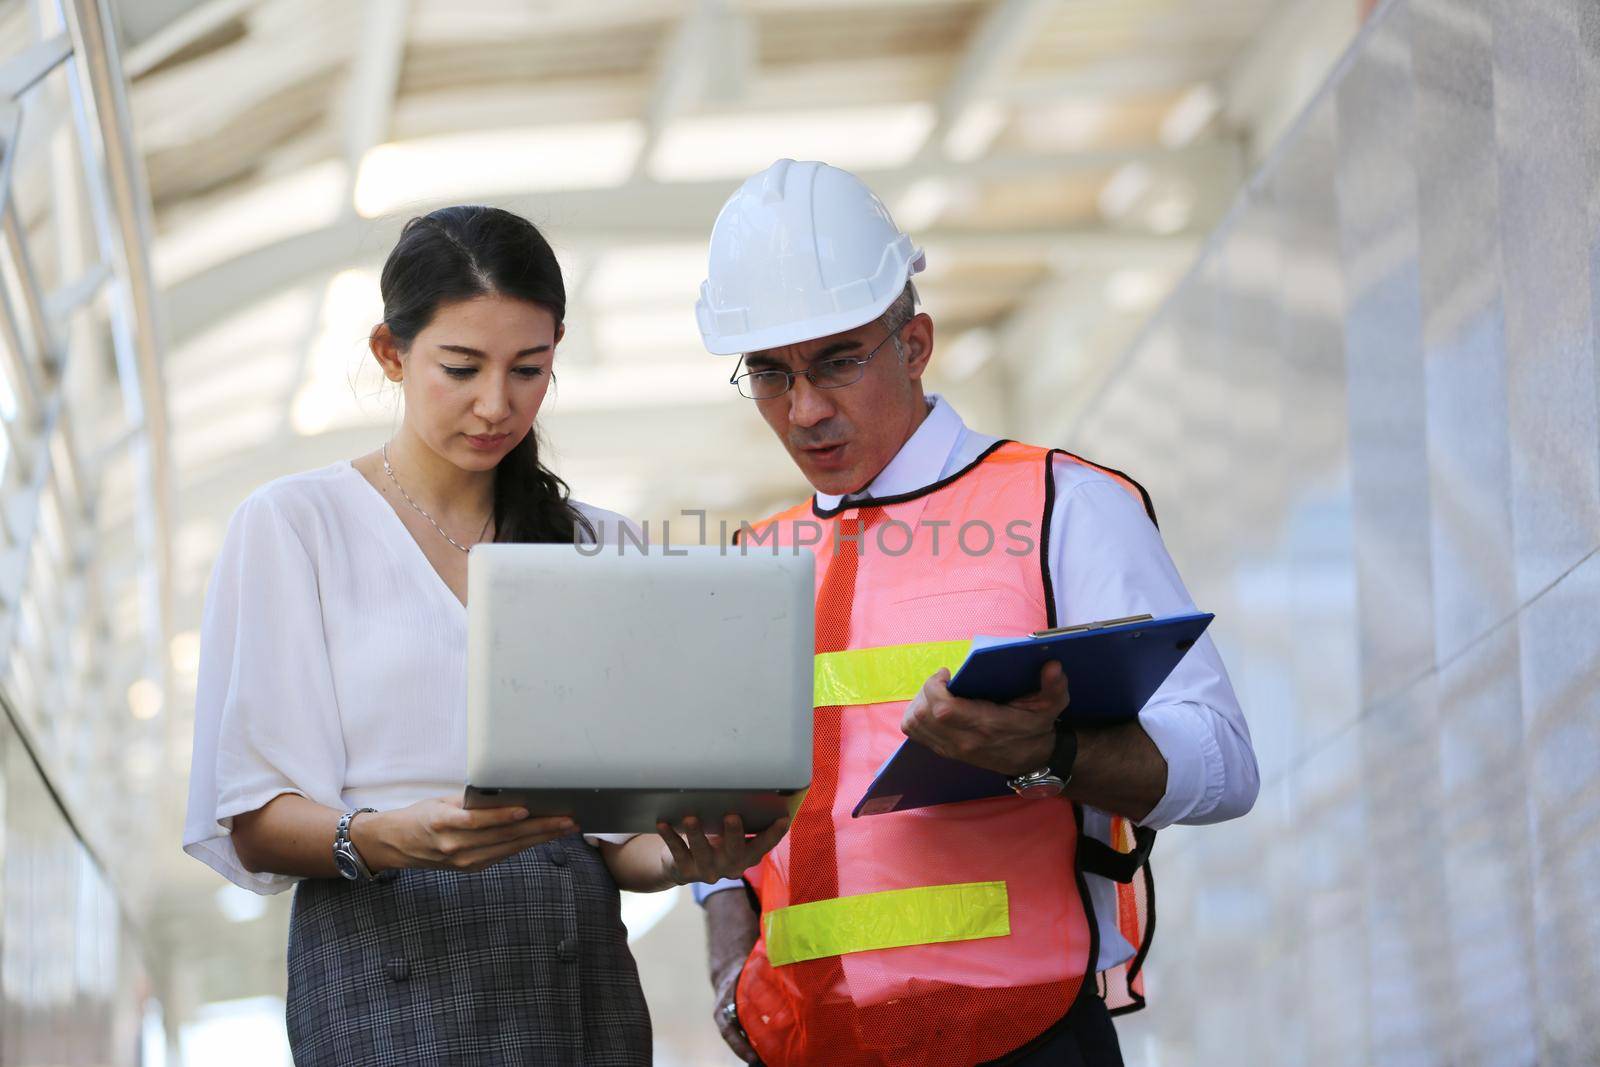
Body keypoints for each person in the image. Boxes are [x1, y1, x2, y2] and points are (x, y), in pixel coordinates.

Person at [182, 205, 786, 1067]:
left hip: (576, 975)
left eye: (529, 368)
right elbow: (252, 819)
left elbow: (620, 845)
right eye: (460, 367)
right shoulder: (296, 525)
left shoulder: (600, 544)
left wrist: (690, 855)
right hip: (386, 959)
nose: (497, 404)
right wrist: (391, 836)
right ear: (390, 353)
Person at [690, 160, 1259, 1067]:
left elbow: (1226, 765)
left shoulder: (1060, 504)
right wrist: (726, 954)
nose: (803, 411)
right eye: (768, 373)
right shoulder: (755, 562)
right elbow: (713, 806)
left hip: (1020, 1042)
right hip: (805, 1046)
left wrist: (1052, 754)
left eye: (837, 361)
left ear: (915, 343)